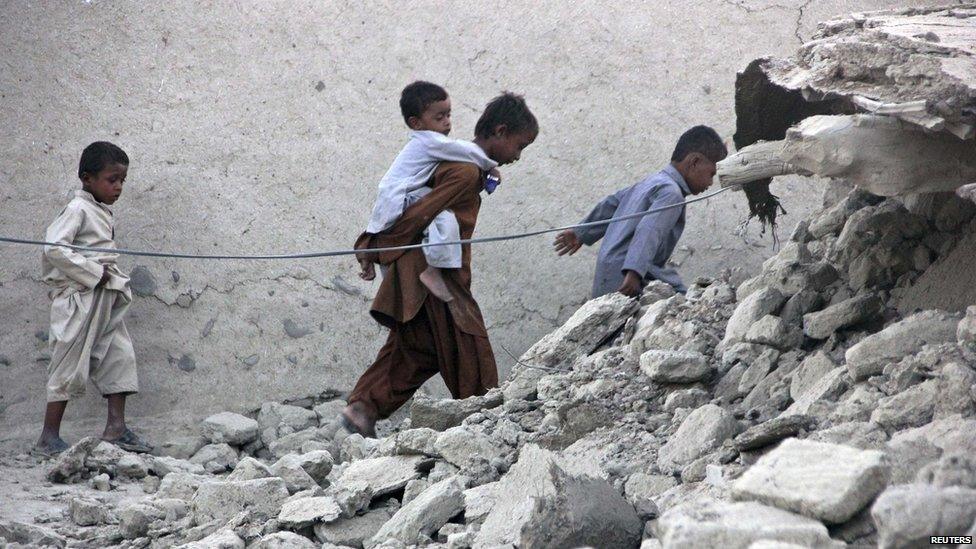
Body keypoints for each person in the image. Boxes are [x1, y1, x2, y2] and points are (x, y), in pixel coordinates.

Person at [342, 92, 538, 437]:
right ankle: (486, 423)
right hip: (433, 275)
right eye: (519, 147)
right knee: (468, 339)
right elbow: (419, 213)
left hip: (423, 272)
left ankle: (363, 408)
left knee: (420, 347)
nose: (518, 157)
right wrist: (373, 244)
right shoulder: (463, 171)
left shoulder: (467, 165)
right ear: (501, 131)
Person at [35, 141, 152, 455]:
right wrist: (92, 271)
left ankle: (116, 428)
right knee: (68, 362)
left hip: (105, 296)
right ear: (88, 179)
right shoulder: (77, 208)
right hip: (80, 299)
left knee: (119, 355)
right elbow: (55, 248)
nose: (118, 187)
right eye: (112, 180)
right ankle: (48, 436)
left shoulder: (100, 210)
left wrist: (105, 278)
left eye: (122, 180)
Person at [362, 81, 501, 303]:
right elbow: (464, 150)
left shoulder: (427, 142)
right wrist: (490, 167)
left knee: (423, 231)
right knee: (446, 219)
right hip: (401, 198)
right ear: (416, 123)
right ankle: (433, 271)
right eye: (439, 117)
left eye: (448, 115)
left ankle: (379, 265)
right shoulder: (428, 140)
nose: (447, 122)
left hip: (394, 199)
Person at [554, 126, 728, 297]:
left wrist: (582, 232)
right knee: (685, 301)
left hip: (608, 271)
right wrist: (635, 271)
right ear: (694, 162)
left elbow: (611, 204)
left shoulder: (651, 182)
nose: (711, 183)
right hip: (627, 278)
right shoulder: (672, 194)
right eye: (711, 174)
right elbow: (650, 230)